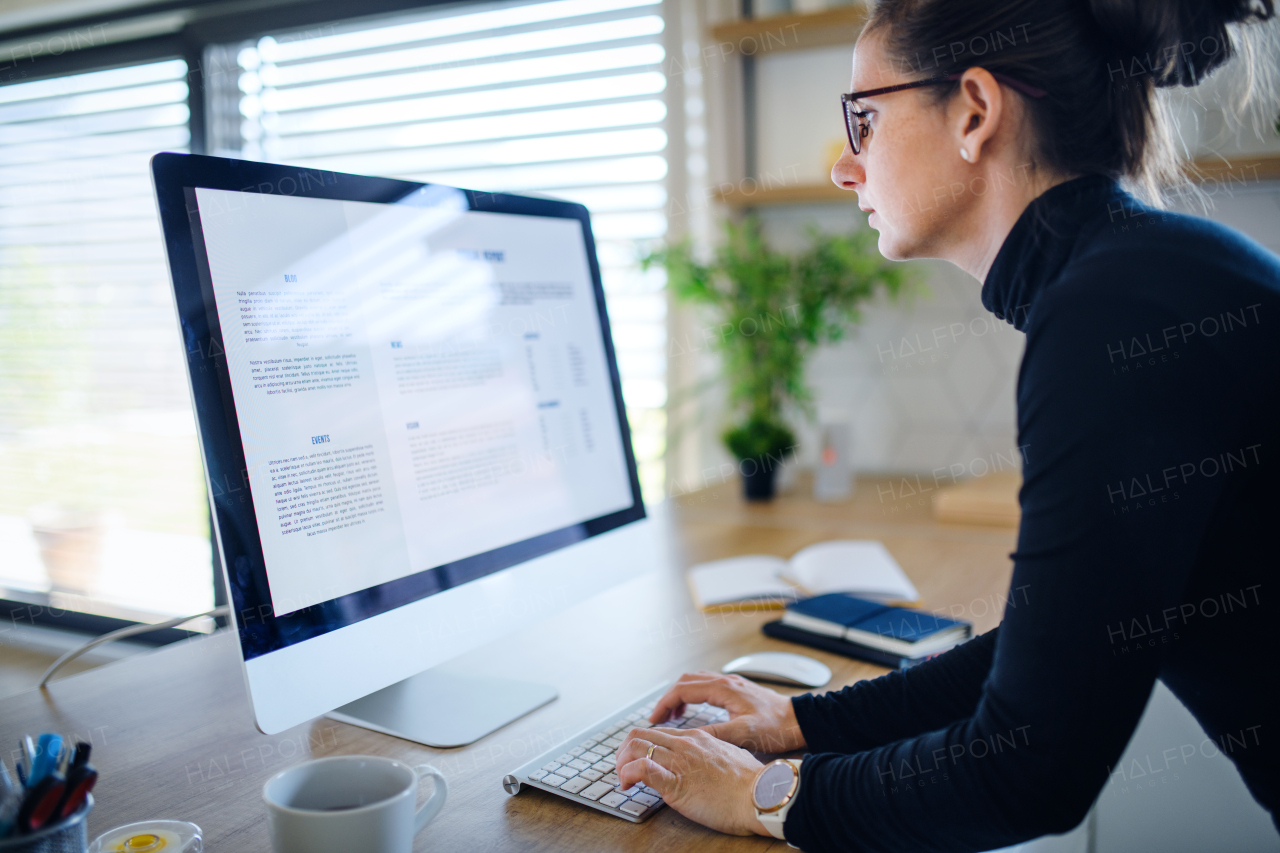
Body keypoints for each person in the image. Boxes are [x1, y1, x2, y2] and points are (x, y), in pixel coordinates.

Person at [614, 0, 1280, 849]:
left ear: (973, 111)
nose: (844, 169)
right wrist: (798, 722)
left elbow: (1029, 769)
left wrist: (766, 795)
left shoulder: (1115, 316)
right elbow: (1053, 646)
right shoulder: (1146, 278)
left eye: (864, 118)